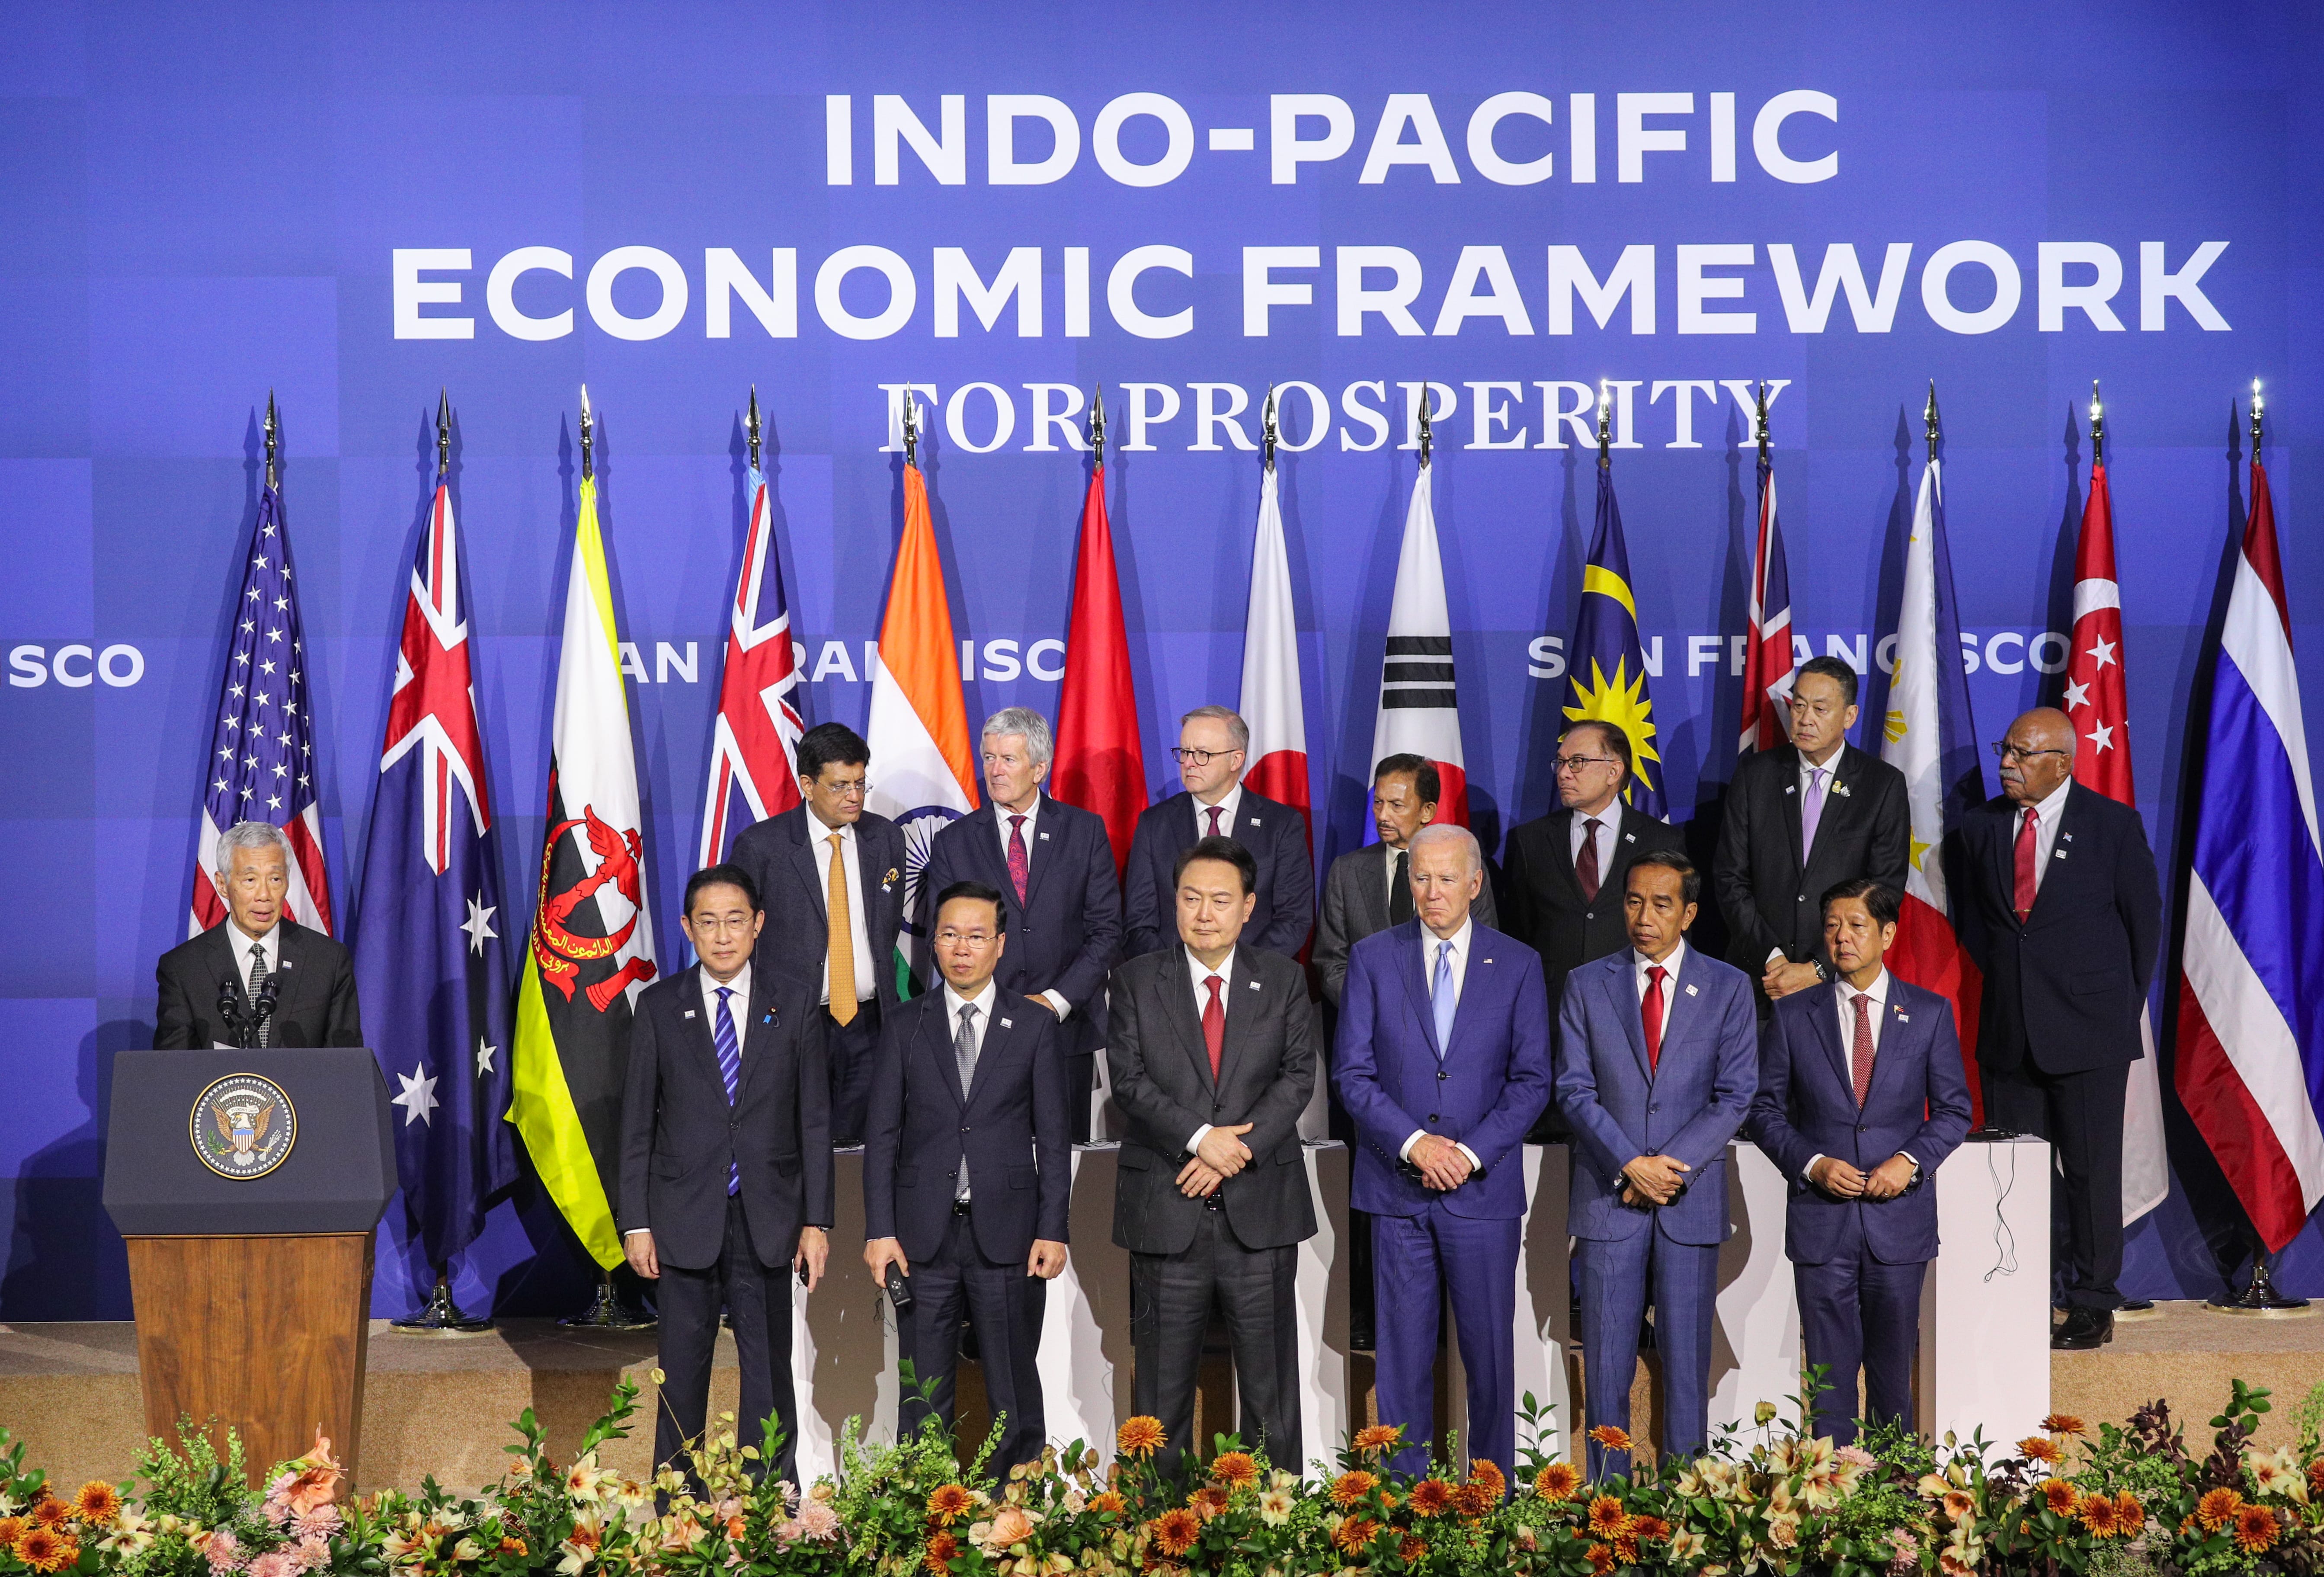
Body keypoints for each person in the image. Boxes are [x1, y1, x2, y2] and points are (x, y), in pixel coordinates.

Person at [1335, 823, 1552, 1478]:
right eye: (1420, 877)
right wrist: (1415, 1144)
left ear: (1474, 882)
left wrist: (1468, 1153)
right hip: (1398, 1191)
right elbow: (1352, 1073)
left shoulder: (1516, 963)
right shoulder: (1373, 957)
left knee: (1489, 1358)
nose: (1432, 891)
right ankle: (1407, 1506)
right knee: (1400, 1362)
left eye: (1446, 878)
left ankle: (1491, 1500)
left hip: (1481, 1195)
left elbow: (1531, 1079)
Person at [1108, 835, 1319, 1472]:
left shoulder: (1282, 979)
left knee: (1268, 1392)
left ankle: (1275, 1530)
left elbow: (1296, 1076)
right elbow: (1129, 1080)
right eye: (1190, 897)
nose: (1203, 912)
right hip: (1168, 1211)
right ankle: (1157, 1537)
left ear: (1248, 906)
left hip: (1260, 1211)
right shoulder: (1136, 980)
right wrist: (1204, 1139)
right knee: (1161, 1399)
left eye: (1220, 900)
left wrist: (1238, 1149)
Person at [619, 865, 831, 1487]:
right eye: (707, 922)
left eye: (735, 920)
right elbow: (636, 1127)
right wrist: (636, 1221)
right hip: (682, 1218)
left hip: (768, 1217)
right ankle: (676, 1504)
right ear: (686, 928)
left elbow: (813, 1121)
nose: (722, 935)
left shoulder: (791, 1001)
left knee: (768, 1370)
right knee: (681, 1372)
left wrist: (817, 1219)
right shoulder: (659, 1006)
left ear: (758, 924)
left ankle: (766, 1502)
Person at [1956, 707, 2161, 1351]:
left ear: (2062, 762)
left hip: (2088, 1032)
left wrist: (2111, 1011)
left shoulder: (2110, 826)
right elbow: (1975, 923)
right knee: (2017, 1174)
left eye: (2021, 753)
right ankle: (2023, 1292)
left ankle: (2092, 1300)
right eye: (2004, 749)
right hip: (2011, 1030)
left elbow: (2142, 926)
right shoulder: (1982, 826)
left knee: (2090, 1171)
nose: (2006, 763)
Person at [1555, 850, 1757, 1480]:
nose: (1644, 916)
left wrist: (1668, 1165)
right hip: (1609, 1200)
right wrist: (1628, 1163)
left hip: (1685, 1200)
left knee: (1685, 1363)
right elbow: (1573, 1088)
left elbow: (1735, 1093)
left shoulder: (1727, 986)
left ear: (1689, 912)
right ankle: (1607, 1507)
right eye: (1634, 901)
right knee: (1607, 1368)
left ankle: (1683, 1503)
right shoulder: (1585, 983)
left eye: (1661, 903)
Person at [1747, 879, 1972, 1444]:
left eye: (1855, 925)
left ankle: (1894, 1501)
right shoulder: (1794, 1015)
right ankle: (1833, 1504)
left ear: (1887, 933)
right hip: (1821, 1223)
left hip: (1898, 1225)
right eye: (1831, 925)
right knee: (1828, 1382)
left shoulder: (1926, 1013)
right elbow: (1764, 1110)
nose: (1841, 937)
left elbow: (1953, 1110)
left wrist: (1908, 1161)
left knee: (1893, 1375)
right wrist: (1812, 1163)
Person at [863, 880, 1070, 1471]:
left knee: (1012, 1385)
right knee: (922, 1391)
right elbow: (882, 1137)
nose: (961, 948)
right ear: (933, 944)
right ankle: (924, 1512)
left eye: (976, 936)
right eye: (949, 934)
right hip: (921, 1235)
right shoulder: (904, 1024)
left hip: (1009, 1233)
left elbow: (1053, 1140)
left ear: (1000, 944)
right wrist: (880, 1229)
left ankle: (1017, 1513)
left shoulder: (1033, 1026)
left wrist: (1053, 1229)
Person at [919, 708, 1123, 1142]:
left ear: (1039, 768)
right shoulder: (954, 842)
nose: (994, 770)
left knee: (1061, 1166)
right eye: (989, 757)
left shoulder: (1084, 832)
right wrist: (993, 1003)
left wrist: (1055, 1000)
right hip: (982, 1028)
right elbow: (942, 937)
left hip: (1065, 1031)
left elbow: (1106, 930)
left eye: (1008, 759)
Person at [731, 723, 907, 1145]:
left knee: (865, 1154)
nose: (854, 796)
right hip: (794, 1028)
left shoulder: (885, 838)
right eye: (840, 785)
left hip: (870, 1025)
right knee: (797, 1150)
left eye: (861, 784)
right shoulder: (761, 847)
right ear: (807, 784)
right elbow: (738, 942)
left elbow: (886, 930)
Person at [1713, 657, 1909, 1004]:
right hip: (1761, 980)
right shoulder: (1755, 776)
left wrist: (1818, 967)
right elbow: (1730, 878)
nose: (1805, 719)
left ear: (1849, 716)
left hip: (1840, 980)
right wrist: (1774, 960)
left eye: (1820, 709)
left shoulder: (1881, 785)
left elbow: (1885, 889)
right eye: (1799, 706)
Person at [1502, 721, 1685, 1022]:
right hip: (1551, 1013)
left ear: (1614, 771)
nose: (1563, 773)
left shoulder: (1662, 841)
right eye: (1560, 762)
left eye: (1577, 762)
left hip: (1634, 1010)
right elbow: (1519, 931)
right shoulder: (1530, 841)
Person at [1122, 706, 1312, 961]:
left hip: (1254, 983)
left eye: (1202, 754)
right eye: (1185, 752)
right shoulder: (1154, 824)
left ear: (1236, 760)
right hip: (1172, 983)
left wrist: (1239, 974)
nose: (1189, 763)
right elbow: (1138, 923)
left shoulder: (1281, 825)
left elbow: (1293, 919)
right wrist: (1177, 977)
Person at [156, 820, 362, 1048]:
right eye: (250, 880)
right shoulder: (184, 968)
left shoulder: (327, 961)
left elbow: (346, 1066)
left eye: (275, 879)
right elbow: (173, 1070)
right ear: (222, 884)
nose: (264, 895)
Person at [1315, 754, 1497, 1010]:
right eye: (1378, 802)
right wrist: (1379, 1012)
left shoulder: (1465, 871)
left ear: (1427, 811)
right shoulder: (1346, 872)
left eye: (1396, 805)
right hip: (1370, 1028)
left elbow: (1482, 952)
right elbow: (1331, 963)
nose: (1383, 815)